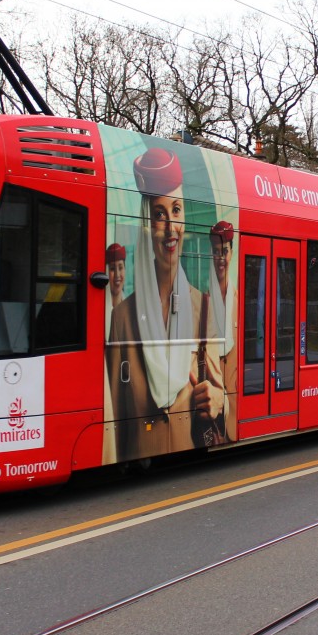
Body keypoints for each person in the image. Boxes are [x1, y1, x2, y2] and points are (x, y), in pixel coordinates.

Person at [105, 147, 225, 461]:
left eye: (176, 210)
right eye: (159, 214)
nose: (170, 228)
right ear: (146, 222)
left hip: (189, 456)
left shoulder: (204, 307)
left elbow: (220, 390)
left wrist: (218, 398)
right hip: (140, 461)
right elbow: (115, 421)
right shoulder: (121, 318)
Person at [204, 221, 238, 444]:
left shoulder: (238, 299)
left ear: (232, 253)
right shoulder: (202, 300)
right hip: (212, 408)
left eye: (224, 251)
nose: (220, 258)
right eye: (216, 252)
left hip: (234, 407)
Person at [104, 242, 126, 332]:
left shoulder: (130, 308)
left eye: (120, 268)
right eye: (112, 269)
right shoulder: (101, 309)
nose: (117, 275)